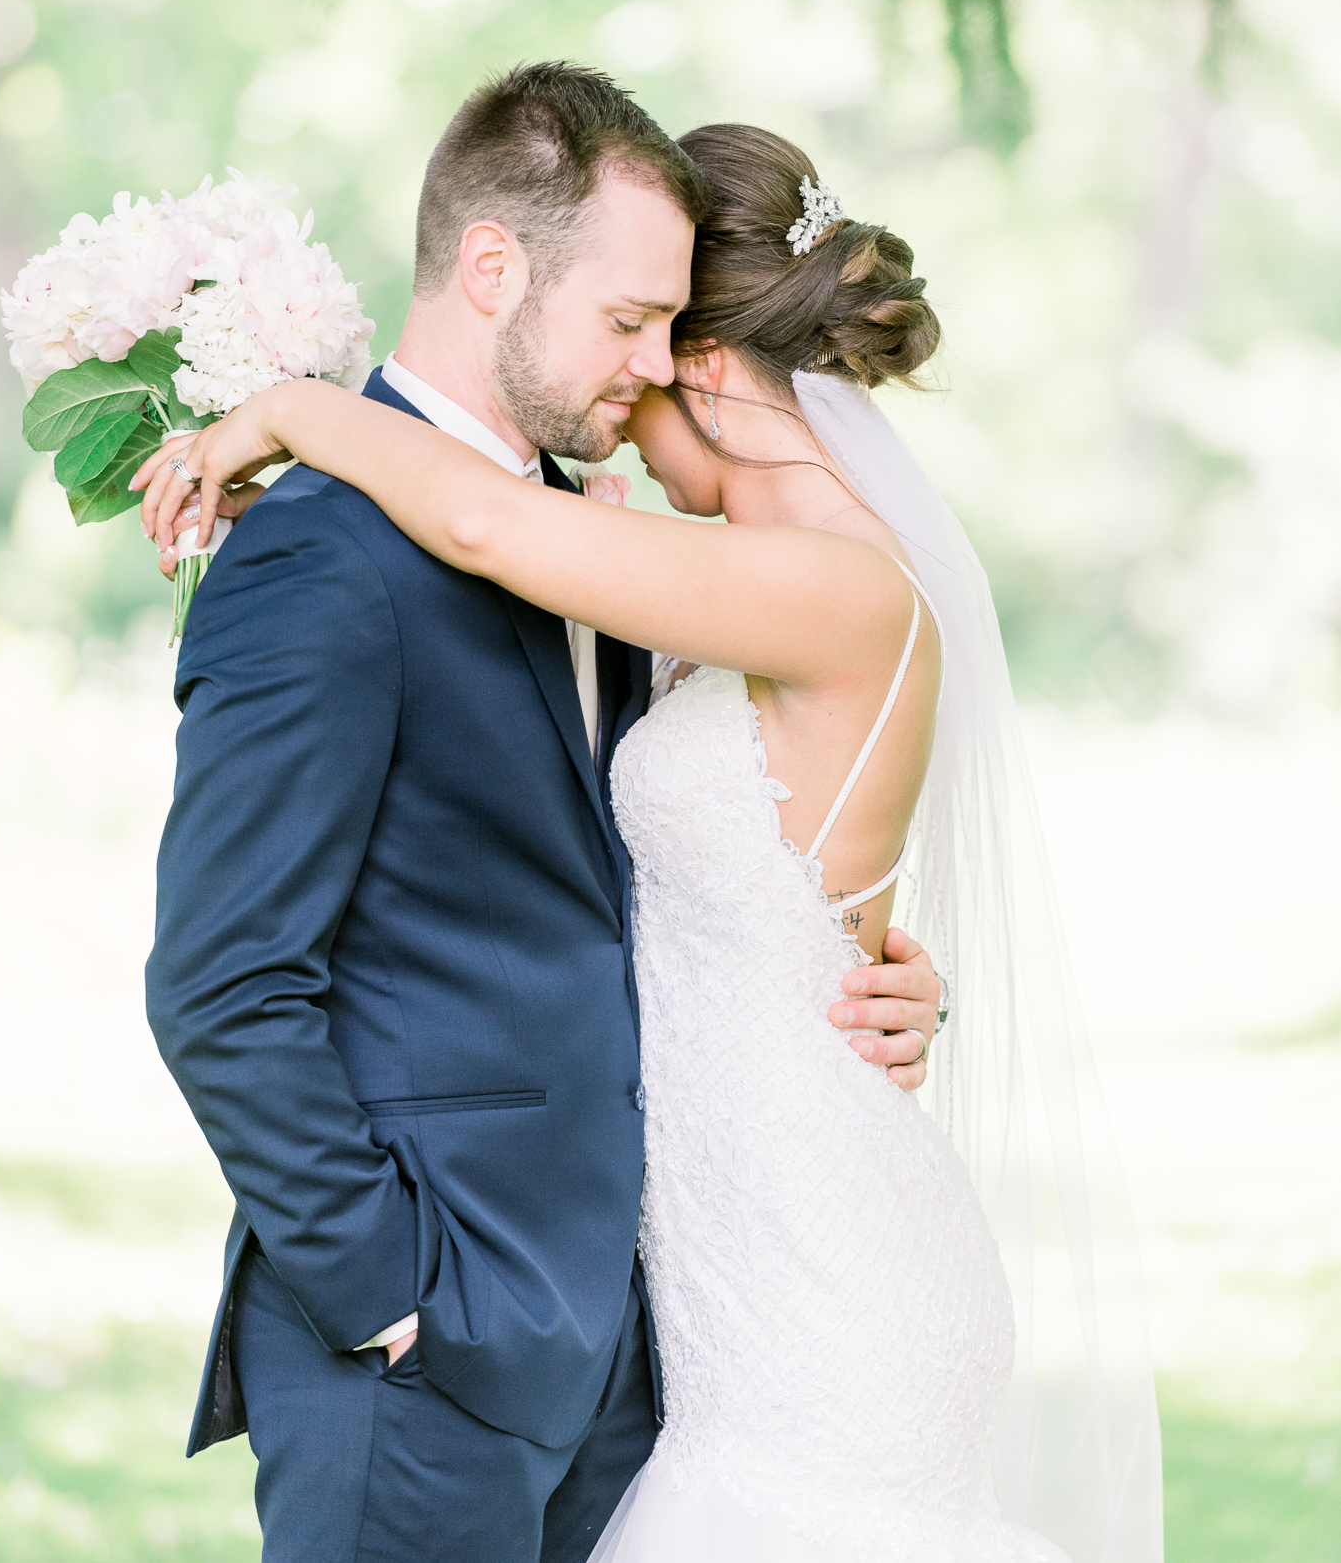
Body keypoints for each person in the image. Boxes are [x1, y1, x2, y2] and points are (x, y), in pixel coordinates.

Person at [143, 120, 1164, 1562]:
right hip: (558, 1301)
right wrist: (387, 1293)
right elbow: (232, 977)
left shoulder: (778, 577)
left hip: (775, 1284)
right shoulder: (628, 572)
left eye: (655, 337)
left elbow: (493, 539)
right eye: (621, 324)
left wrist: (298, 409)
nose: (629, 389)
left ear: (717, 366)